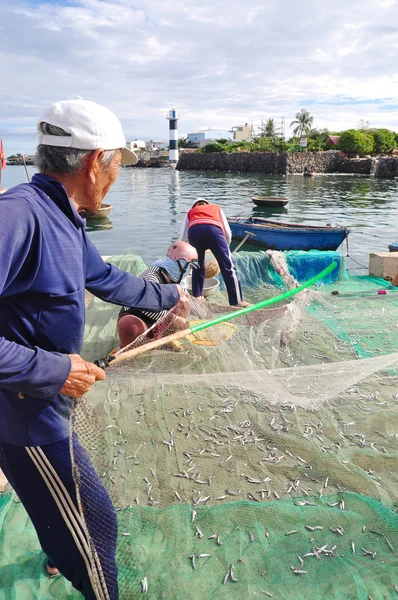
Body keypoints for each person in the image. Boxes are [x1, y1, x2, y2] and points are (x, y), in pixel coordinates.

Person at [0, 98, 189, 600]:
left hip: (48, 399)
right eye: (118, 166)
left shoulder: (64, 216)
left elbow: (103, 278)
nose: (117, 177)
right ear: (93, 161)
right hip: (26, 412)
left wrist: (171, 295)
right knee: (97, 523)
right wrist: (49, 368)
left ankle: (58, 552)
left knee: (53, 505)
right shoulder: (18, 217)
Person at [117, 240, 204, 348]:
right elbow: (145, 308)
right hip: (138, 318)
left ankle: (168, 338)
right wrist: (175, 320)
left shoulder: (176, 278)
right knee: (130, 325)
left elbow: (190, 302)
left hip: (159, 321)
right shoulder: (151, 277)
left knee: (184, 300)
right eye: (189, 267)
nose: (189, 272)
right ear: (181, 263)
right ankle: (129, 347)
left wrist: (205, 316)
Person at [180, 198, 249, 307]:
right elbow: (227, 232)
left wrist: (187, 253)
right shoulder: (216, 208)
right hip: (214, 231)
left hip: (195, 232)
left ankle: (197, 297)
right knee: (228, 267)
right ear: (207, 204)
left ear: (194, 206)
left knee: (197, 267)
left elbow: (183, 236)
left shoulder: (190, 212)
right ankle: (237, 301)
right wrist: (226, 249)